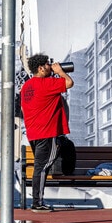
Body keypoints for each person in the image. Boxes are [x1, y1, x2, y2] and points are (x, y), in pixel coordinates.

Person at [20, 53, 73, 211]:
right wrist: (60, 71)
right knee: (41, 168)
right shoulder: (47, 83)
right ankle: (37, 203)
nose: (51, 66)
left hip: (34, 133)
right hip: (47, 133)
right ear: (41, 68)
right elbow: (69, 83)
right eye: (48, 64)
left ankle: (37, 200)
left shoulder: (27, 86)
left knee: (41, 166)